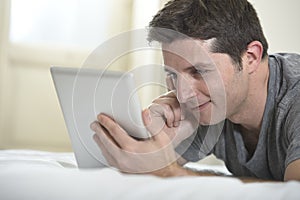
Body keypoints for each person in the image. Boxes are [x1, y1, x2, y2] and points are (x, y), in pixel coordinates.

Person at [90, 0, 300, 182]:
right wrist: (159, 140)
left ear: (250, 57)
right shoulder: (212, 103)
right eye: (172, 74)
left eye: (198, 71)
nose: (183, 94)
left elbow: (293, 192)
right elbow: (145, 167)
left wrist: (170, 173)